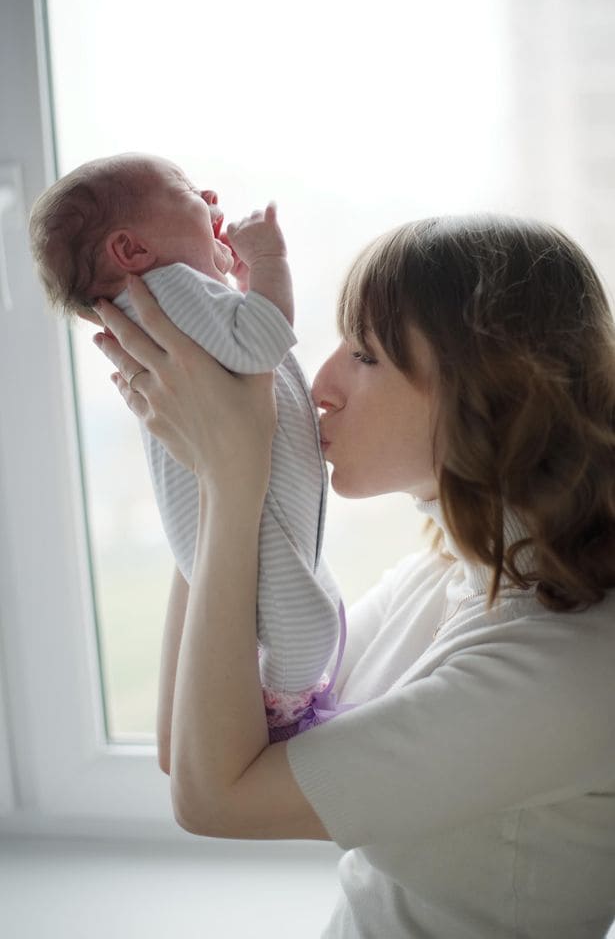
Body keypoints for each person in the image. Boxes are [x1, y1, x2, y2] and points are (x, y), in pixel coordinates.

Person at [87, 213, 615, 937]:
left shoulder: (564, 661)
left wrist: (231, 480)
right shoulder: (451, 576)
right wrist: (210, 475)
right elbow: (192, 752)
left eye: (365, 355)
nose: (319, 386)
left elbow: (216, 801)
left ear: (490, 387)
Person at [28, 153, 346, 740]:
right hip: (243, 503)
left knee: (298, 607)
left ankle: (276, 694)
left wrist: (242, 291)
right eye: (186, 192)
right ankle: (281, 707)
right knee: (307, 623)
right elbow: (262, 346)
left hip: (221, 511)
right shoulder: (168, 289)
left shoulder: (163, 310)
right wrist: (270, 261)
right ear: (131, 252)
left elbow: (241, 346)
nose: (208, 195)